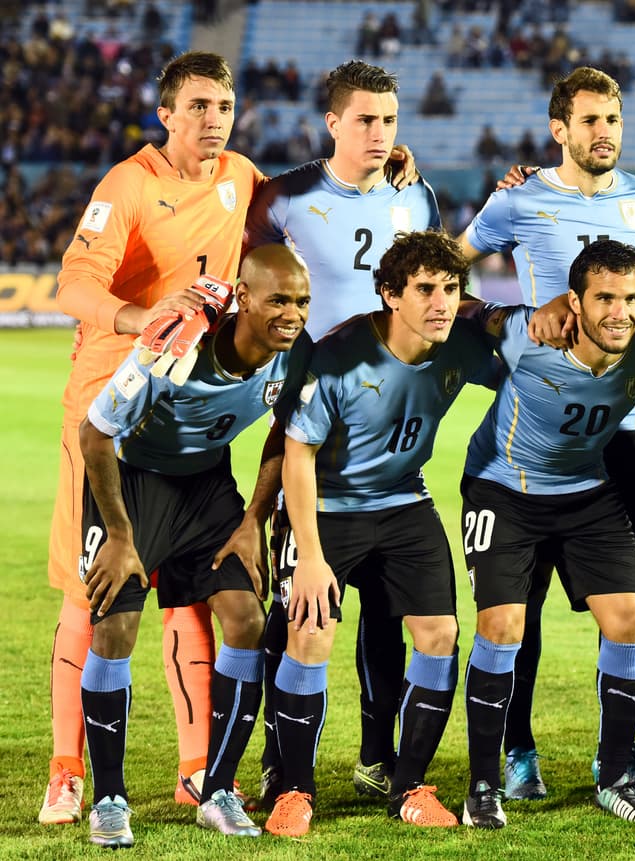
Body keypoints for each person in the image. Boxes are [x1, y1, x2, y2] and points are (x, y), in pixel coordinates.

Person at [45, 50, 267, 826]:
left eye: (224, 106)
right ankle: (68, 770)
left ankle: (198, 769)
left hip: (191, 411)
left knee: (194, 595)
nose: (214, 120)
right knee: (95, 590)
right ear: (166, 113)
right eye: (198, 106)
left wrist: (384, 168)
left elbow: (305, 202)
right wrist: (147, 321)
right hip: (109, 411)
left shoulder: (240, 176)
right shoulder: (129, 184)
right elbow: (72, 283)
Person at [457, 66, 635, 801]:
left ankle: (619, 752)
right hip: (546, 424)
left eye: (612, 118)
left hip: (632, 431)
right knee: (518, 604)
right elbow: (448, 267)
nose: (604, 132)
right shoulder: (519, 199)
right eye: (589, 120)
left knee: (629, 599)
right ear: (559, 129)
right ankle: (517, 749)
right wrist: (507, 320)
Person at [245, 59, 442, 811]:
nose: (379, 133)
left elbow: (430, 285)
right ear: (332, 123)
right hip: (309, 416)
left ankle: (376, 755)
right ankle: (279, 763)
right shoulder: (285, 196)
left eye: (388, 119)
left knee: (388, 606)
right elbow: (253, 285)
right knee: (297, 601)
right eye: (364, 119)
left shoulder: (415, 195)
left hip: (388, 421)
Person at [457, 240, 635, 828]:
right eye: (605, 299)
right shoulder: (527, 333)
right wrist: (512, 311)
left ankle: (614, 775)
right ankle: (483, 784)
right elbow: (461, 309)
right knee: (504, 625)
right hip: (503, 490)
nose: (620, 312)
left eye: (631, 298)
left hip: (587, 492)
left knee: (630, 619)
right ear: (575, 301)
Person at [76, 244, 313, 848]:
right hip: (133, 484)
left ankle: (220, 791)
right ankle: (108, 799)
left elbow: (285, 434)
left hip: (207, 487)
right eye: (279, 301)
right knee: (114, 628)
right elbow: (95, 434)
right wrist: (121, 536)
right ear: (243, 298)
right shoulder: (175, 342)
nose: (292, 315)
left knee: (246, 619)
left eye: (302, 302)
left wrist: (252, 519)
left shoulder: (296, 352)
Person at [264, 231, 492, 837]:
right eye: (425, 289)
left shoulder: (461, 346)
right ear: (391, 294)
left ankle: (409, 786)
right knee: (309, 635)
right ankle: (294, 790)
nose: (441, 303)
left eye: (451, 289)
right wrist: (310, 556)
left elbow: (531, 363)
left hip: (404, 503)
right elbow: (298, 456)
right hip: (326, 508)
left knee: (440, 634)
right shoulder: (339, 356)